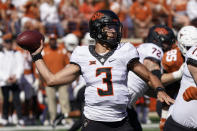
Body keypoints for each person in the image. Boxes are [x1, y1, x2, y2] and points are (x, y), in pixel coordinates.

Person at [27, 10, 173, 131]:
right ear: (97, 29)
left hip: (122, 120)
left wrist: (160, 89)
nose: (113, 31)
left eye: (115, 27)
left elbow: (148, 76)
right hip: (94, 122)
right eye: (109, 27)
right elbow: (51, 80)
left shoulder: (125, 50)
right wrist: (36, 55)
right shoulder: (82, 54)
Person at [127, 25, 175, 125]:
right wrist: (179, 74)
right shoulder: (153, 48)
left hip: (123, 101)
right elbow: (154, 74)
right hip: (119, 102)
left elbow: (147, 85)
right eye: (166, 43)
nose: (168, 46)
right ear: (157, 40)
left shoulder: (143, 48)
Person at [163, 26, 197, 131]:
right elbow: (159, 80)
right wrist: (177, 74)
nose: (191, 48)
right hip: (174, 94)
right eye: (188, 46)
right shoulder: (174, 57)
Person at [41, 33, 71, 124]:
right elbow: (40, 68)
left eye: (54, 39)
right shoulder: (44, 51)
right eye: (51, 39)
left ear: (56, 40)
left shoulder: (62, 51)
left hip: (62, 79)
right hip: (49, 79)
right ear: (49, 41)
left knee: (64, 99)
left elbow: (68, 65)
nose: (53, 41)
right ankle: (53, 118)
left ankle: (66, 118)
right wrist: (40, 80)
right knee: (51, 100)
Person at [0, 34, 24, 126]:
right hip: (4, 81)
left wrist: (16, 77)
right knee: (5, 100)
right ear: (4, 44)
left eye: (10, 42)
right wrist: (6, 78)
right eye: (7, 42)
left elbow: (20, 66)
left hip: (15, 80)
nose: (9, 44)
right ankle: (5, 118)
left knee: (16, 100)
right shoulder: (1, 54)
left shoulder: (17, 53)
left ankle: (20, 118)